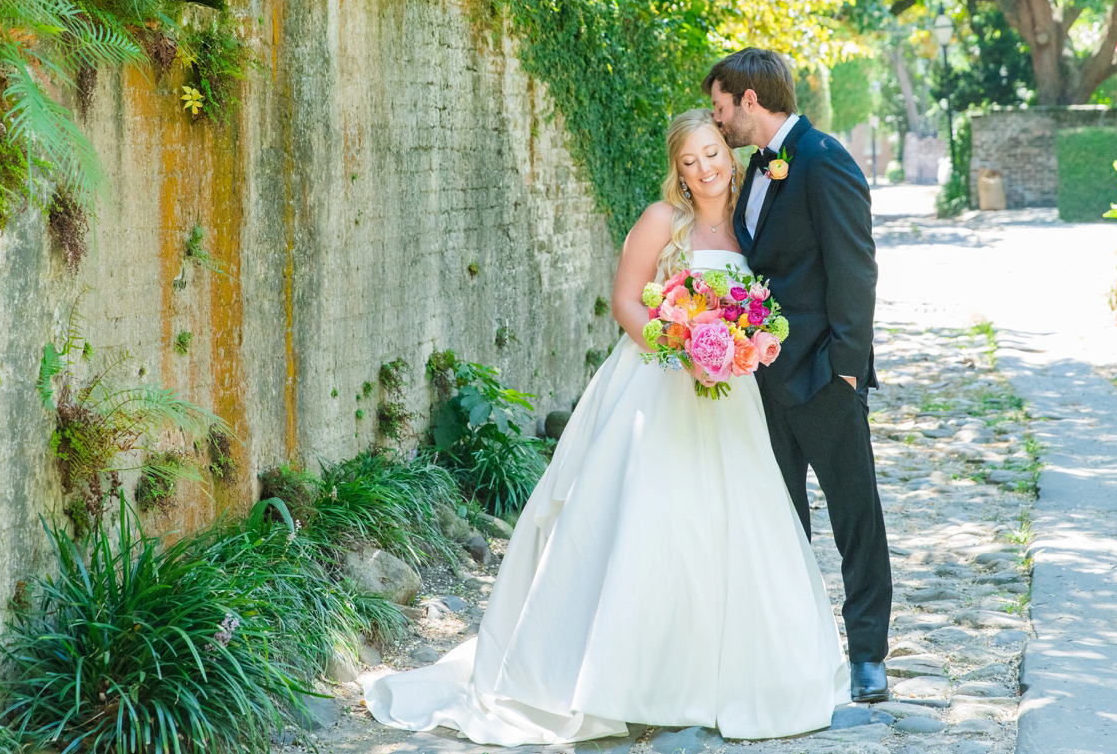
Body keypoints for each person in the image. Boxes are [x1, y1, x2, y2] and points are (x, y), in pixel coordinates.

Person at [364, 108, 849, 745]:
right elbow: (626, 297)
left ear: (729, 156)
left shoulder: (751, 227)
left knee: (730, 524)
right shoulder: (661, 221)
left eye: (712, 154)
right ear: (677, 170)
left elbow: (763, 306)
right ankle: (615, 679)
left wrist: (738, 345)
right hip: (655, 384)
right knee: (649, 520)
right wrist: (677, 340)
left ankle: (721, 674)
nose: (704, 168)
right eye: (689, 161)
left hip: (729, 397)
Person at [705, 47, 893, 704]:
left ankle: (869, 654)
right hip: (760, 383)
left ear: (750, 101)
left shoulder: (824, 158)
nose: (718, 120)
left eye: (721, 106)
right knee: (780, 523)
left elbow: (855, 266)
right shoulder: (750, 170)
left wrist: (847, 369)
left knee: (855, 518)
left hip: (821, 375)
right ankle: (794, 649)